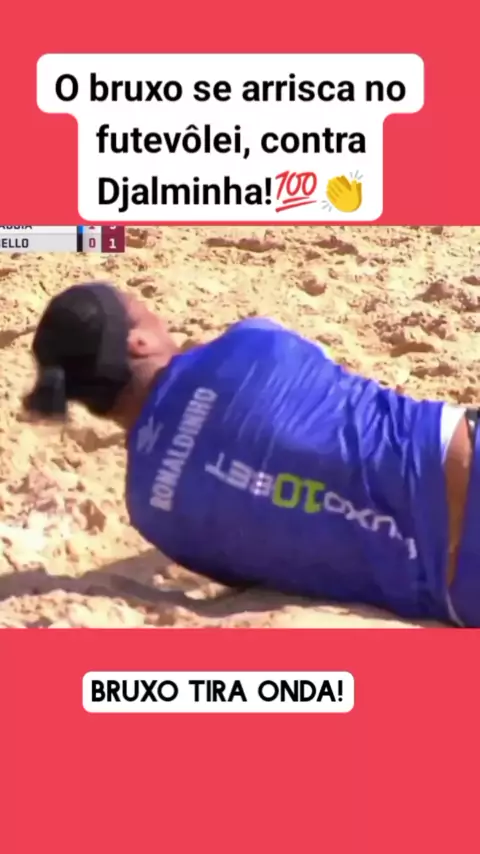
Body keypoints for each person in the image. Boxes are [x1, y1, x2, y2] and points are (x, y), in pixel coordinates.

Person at [23, 281, 480, 627]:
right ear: (136, 343)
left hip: (455, 598)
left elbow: (258, 568)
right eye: (144, 309)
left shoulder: (149, 509)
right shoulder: (250, 343)